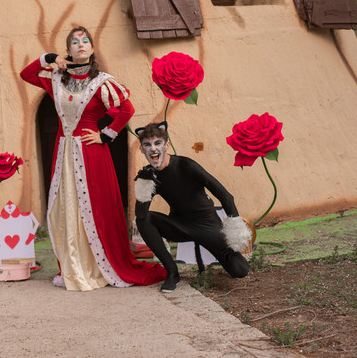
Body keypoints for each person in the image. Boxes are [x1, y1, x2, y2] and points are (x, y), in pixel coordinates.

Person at [20, 26, 166, 291]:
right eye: (75, 42)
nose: (81, 44)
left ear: (92, 49)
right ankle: (75, 265)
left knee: (95, 206)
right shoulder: (56, 79)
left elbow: (126, 109)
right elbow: (26, 74)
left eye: (85, 40)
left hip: (91, 152)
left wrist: (105, 135)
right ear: (68, 50)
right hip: (64, 153)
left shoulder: (102, 82)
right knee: (67, 207)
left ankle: (100, 266)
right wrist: (50, 58)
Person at [134, 122, 251, 292]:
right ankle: (172, 272)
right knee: (145, 220)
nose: (153, 149)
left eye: (157, 143)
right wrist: (144, 184)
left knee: (240, 270)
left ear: (167, 145)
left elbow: (225, 195)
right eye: (147, 145)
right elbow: (141, 214)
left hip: (207, 225)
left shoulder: (185, 165)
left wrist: (235, 234)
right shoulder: (150, 175)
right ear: (142, 149)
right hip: (179, 226)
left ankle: (227, 255)